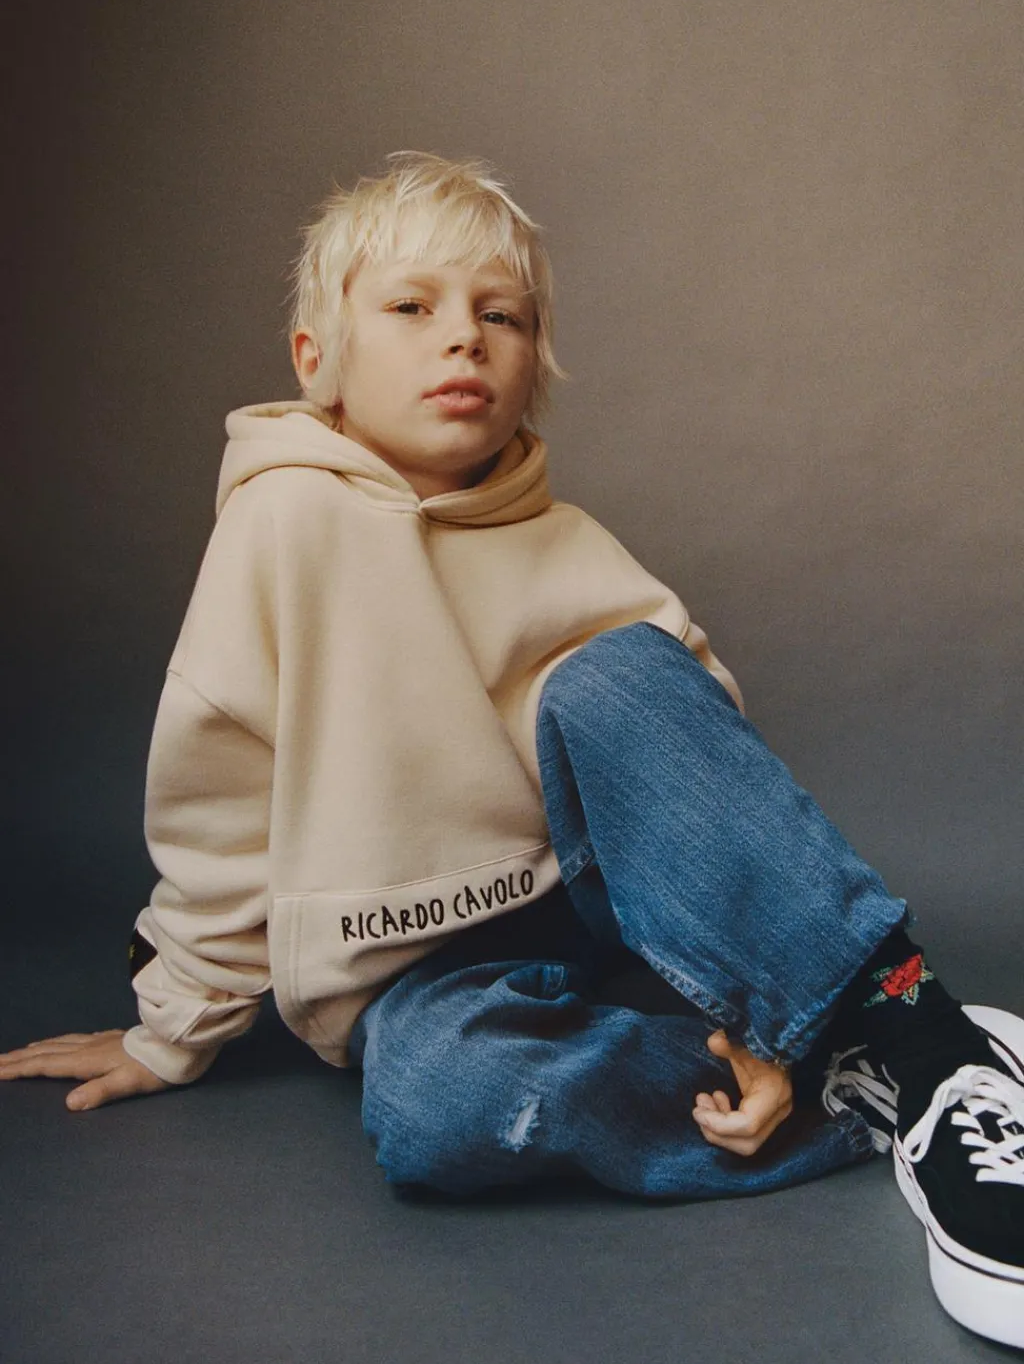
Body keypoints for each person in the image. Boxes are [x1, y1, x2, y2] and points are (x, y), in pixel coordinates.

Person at [1, 151, 1022, 1348]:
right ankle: (831, 1078)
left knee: (623, 675)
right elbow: (221, 796)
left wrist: (704, 896)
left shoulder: (565, 540)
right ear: (315, 359)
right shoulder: (284, 522)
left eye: (503, 317)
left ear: (534, 366)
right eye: (412, 306)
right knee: (437, 1105)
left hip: (602, 913)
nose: (464, 339)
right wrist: (171, 1027)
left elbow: (695, 757)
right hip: (416, 975)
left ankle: (923, 1041)